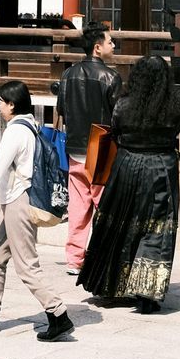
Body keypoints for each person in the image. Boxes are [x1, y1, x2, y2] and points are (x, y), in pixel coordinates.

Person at [0, 81, 74, 341]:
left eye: (1, 102)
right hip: (16, 201)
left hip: (18, 203)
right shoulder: (30, 126)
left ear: (12, 104)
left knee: (26, 266)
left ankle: (58, 314)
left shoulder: (15, 132)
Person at [78, 53, 180, 312]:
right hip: (160, 167)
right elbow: (176, 128)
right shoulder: (175, 108)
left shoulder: (122, 105)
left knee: (120, 223)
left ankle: (112, 283)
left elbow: (115, 131)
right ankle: (146, 293)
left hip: (126, 166)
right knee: (156, 230)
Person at [52, 23, 119, 274]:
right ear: (98, 47)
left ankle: (74, 259)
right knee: (105, 205)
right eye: (110, 41)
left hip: (74, 147)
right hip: (101, 148)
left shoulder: (69, 74)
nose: (113, 45)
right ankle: (105, 255)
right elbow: (118, 116)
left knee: (78, 207)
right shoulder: (111, 77)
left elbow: (61, 110)